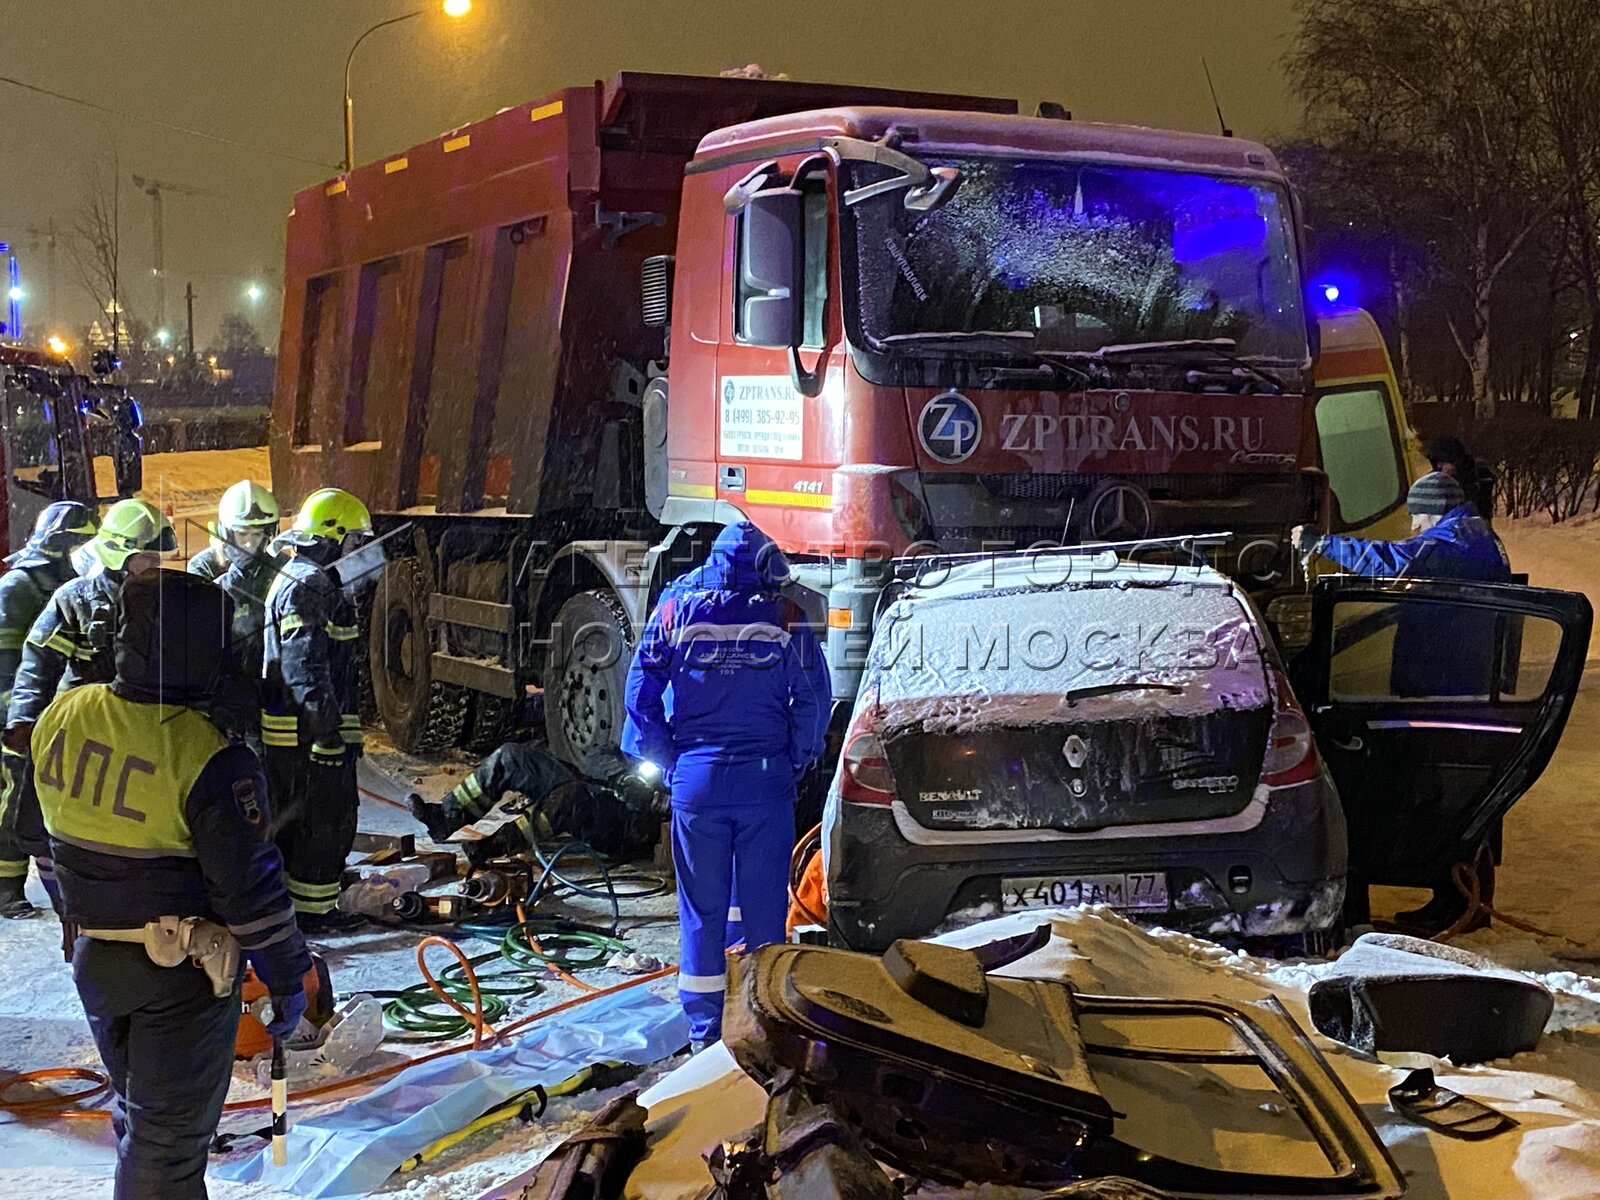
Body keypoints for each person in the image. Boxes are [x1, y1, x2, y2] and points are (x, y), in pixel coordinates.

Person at [34, 568, 310, 1200]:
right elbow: (250, 892)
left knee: (142, 1113)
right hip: (181, 975)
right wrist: (287, 976)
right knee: (168, 1145)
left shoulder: (66, 713)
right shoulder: (207, 753)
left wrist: (73, 913)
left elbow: (33, 835)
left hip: (95, 959)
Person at [623, 520, 831, 1048]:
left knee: (702, 912)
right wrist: (795, 760)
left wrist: (669, 759)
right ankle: (763, 1027)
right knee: (764, 915)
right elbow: (812, 700)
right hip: (765, 784)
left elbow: (639, 695)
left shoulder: (675, 607)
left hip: (699, 784)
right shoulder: (785, 615)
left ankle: (704, 1037)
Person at [1293, 469, 1512, 930]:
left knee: (1450, 797)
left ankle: (1463, 906)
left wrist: (1324, 544)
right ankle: (1454, 899)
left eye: (1416, 516)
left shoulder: (1453, 543)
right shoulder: (1474, 534)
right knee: (1454, 798)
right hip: (1459, 681)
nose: (1414, 526)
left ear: (1434, 509)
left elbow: (1397, 562)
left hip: (1448, 685)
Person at [2, 499, 174, 914]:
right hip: (79, 734)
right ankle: (73, 914)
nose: (154, 564)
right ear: (119, 555)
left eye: (157, 556)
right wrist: (22, 722)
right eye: (144, 556)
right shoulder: (75, 599)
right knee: (58, 828)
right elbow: (38, 663)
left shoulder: (167, 601)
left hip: (138, 733)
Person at [261, 488, 372, 932]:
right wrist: (328, 735)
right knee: (324, 818)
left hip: (297, 730)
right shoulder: (311, 586)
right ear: (332, 538)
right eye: (354, 542)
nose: (359, 552)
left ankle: (307, 895)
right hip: (308, 733)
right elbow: (304, 666)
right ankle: (314, 910)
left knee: (304, 817)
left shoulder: (303, 578)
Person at [0, 502, 97, 915]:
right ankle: (6, 887)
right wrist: (16, 718)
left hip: (53, 720)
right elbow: (6, 667)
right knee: (12, 803)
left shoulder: (70, 586)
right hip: (19, 719)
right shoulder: (19, 588)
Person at [410, 741, 664, 865]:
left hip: (626, 827)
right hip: (597, 785)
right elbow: (598, 753)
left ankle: (494, 846)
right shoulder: (655, 724)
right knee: (511, 758)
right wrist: (622, 776)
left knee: (569, 799)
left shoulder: (698, 760)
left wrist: (653, 801)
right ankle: (446, 817)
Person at [188, 480, 284, 677]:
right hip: (224, 677)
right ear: (226, 533)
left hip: (271, 672)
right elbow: (201, 633)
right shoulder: (205, 567)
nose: (250, 543)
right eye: (242, 534)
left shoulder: (279, 565)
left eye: (257, 534)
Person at [1425, 434, 1496, 527]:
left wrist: (1456, 475)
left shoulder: (1477, 471)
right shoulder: (1435, 478)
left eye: (1442, 462)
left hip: (1473, 526)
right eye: (1437, 463)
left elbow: (1476, 502)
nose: (1439, 466)